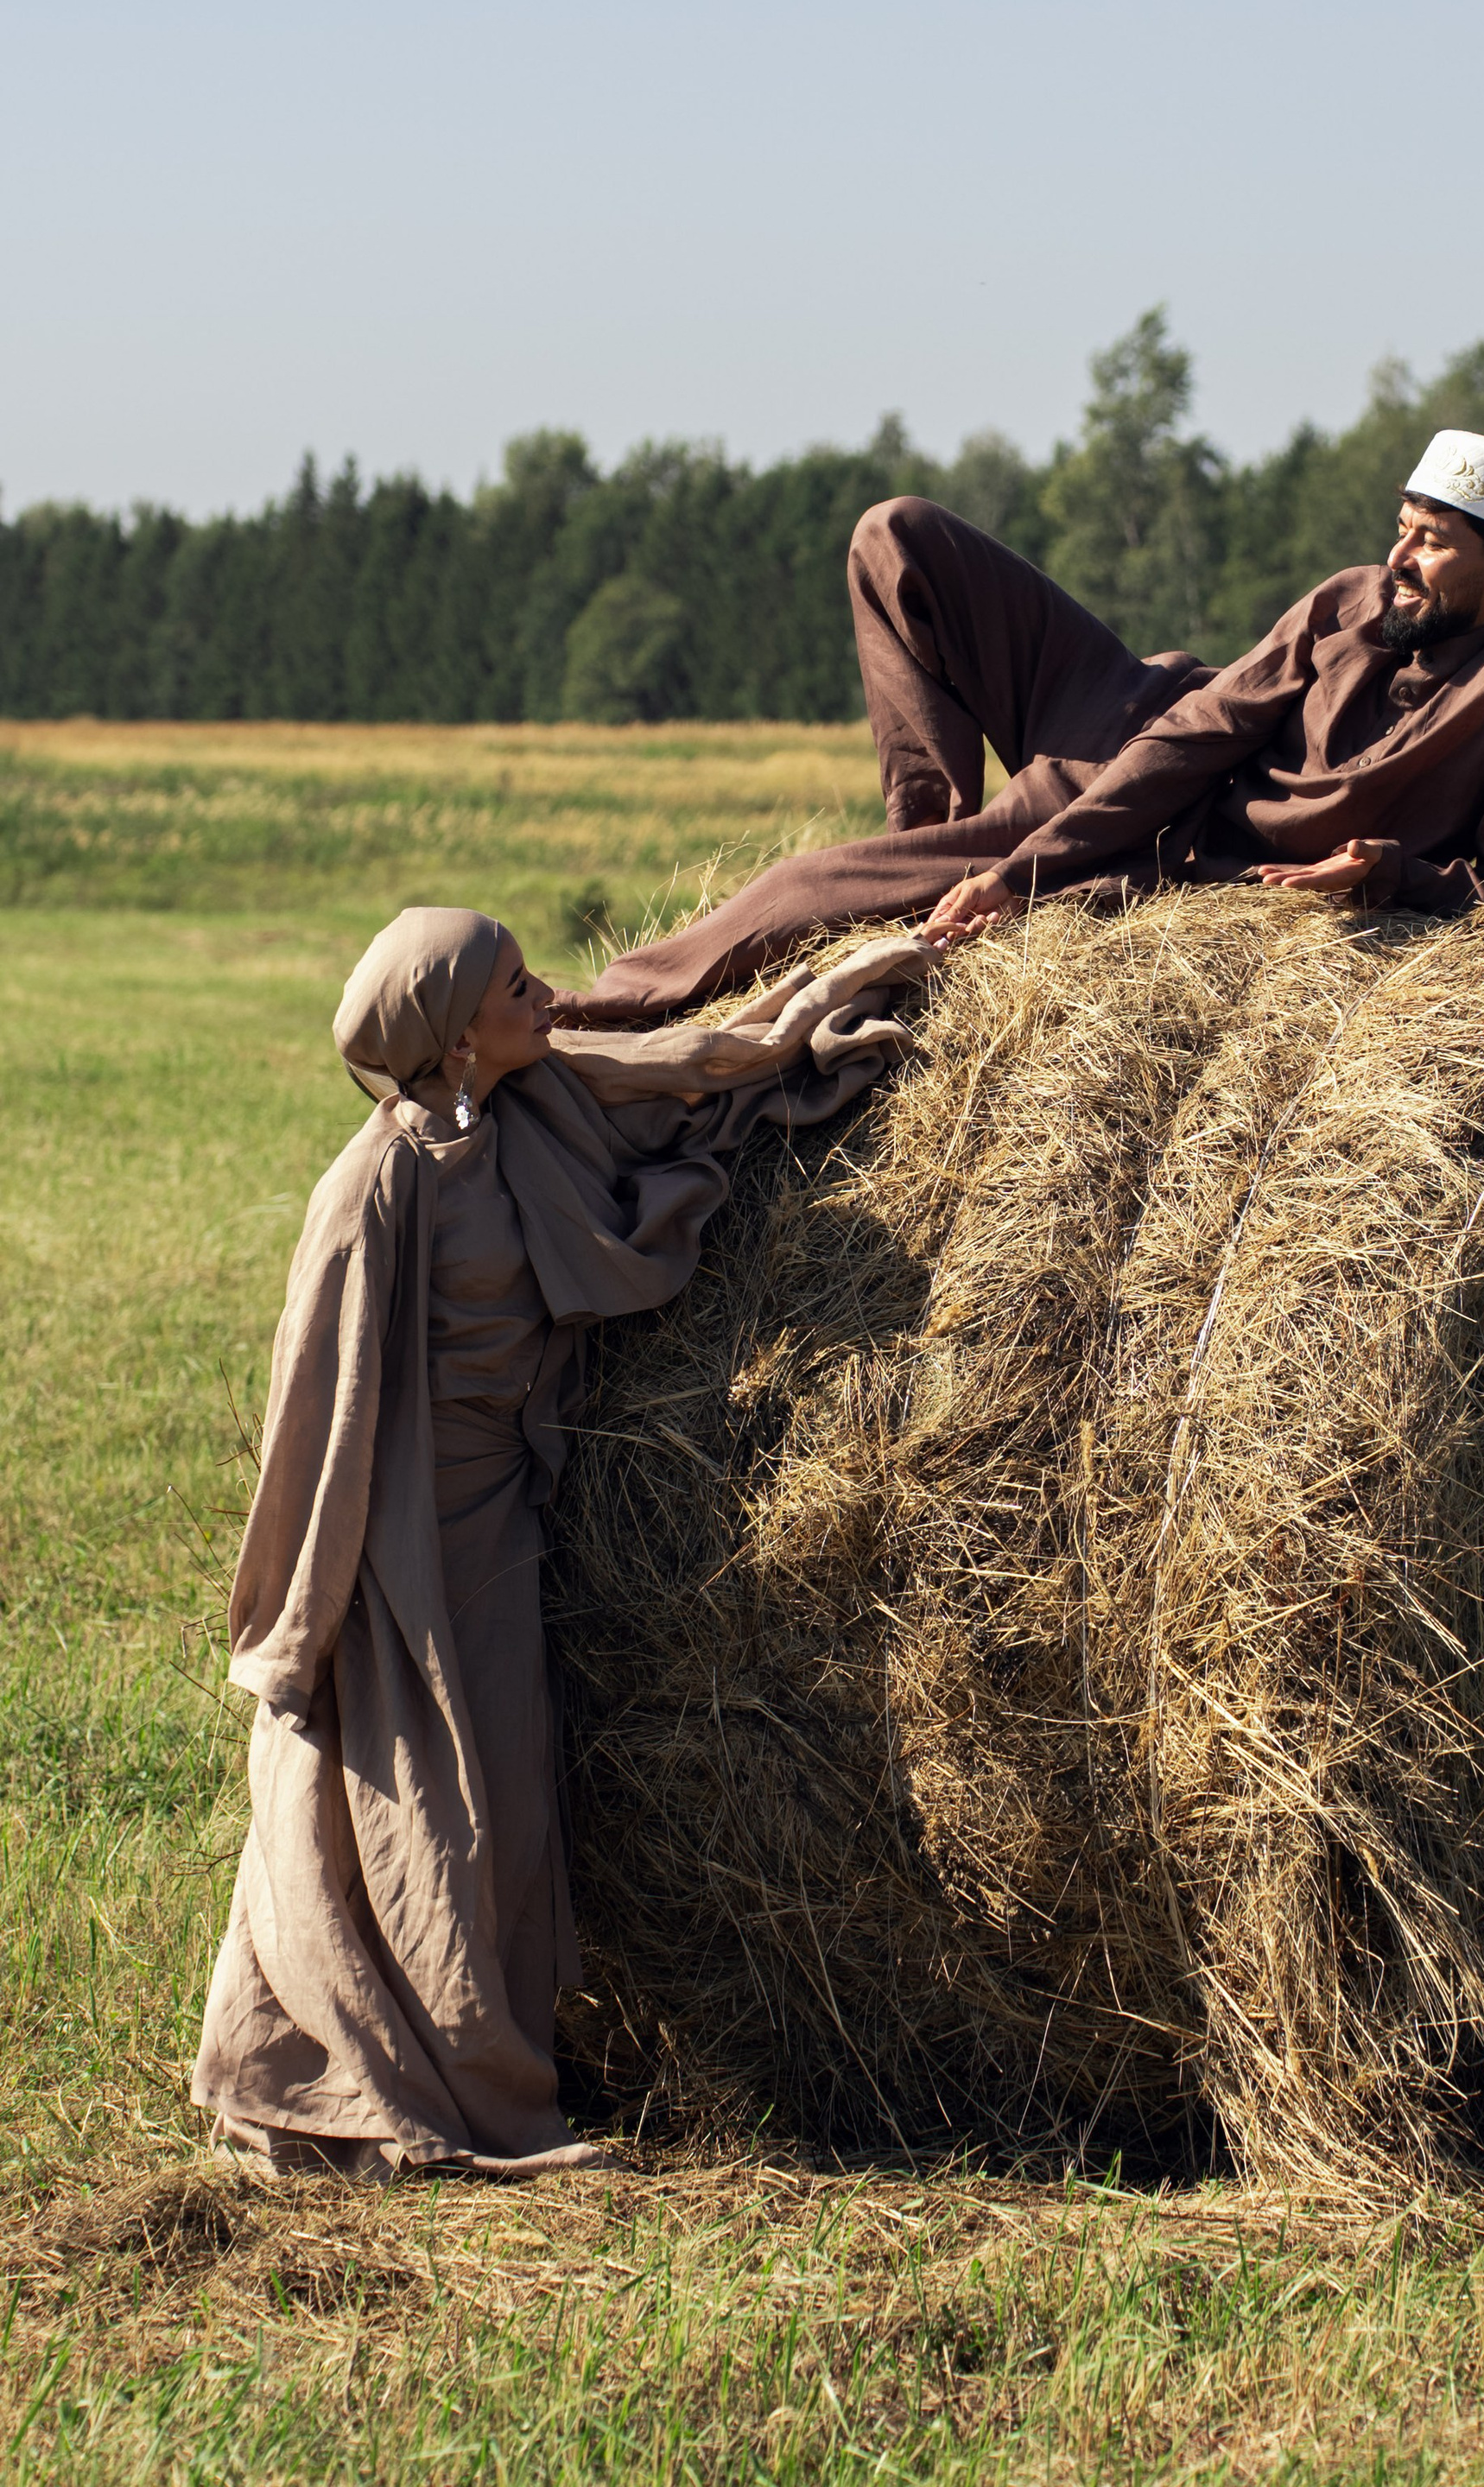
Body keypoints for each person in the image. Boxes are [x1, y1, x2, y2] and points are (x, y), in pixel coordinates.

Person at [193, 904, 929, 2182]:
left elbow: (701, 1062)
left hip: (505, 1509)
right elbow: (315, 1401)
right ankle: (408, 2091)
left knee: (514, 1793)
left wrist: (833, 991)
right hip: (404, 1521)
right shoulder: (369, 1192)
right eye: (519, 988)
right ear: (455, 1032)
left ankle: (500, 2067)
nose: (550, 998)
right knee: (429, 1796)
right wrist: (306, 1609)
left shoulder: (532, 1102)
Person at [566, 428, 1484, 1026]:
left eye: (1432, 543)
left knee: (799, 894)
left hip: (1168, 834)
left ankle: (600, 1011)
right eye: (1403, 528)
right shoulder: (1350, 599)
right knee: (899, 538)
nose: (1400, 556)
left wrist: (1388, 873)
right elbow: (1200, 728)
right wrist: (1021, 869)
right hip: (1134, 733)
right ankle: (925, 840)